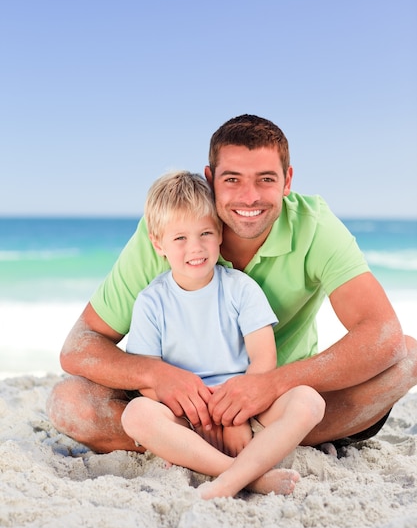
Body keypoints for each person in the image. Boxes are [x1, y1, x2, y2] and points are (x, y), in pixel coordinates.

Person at [47, 114, 417, 457]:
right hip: (181, 403)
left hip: (280, 396)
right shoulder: (173, 230)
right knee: (69, 401)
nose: (249, 197)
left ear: (287, 181)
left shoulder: (314, 226)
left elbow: (382, 334)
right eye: (233, 179)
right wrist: (154, 374)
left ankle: (220, 442)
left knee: (408, 354)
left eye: (266, 179)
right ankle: (235, 445)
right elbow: (80, 346)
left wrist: (269, 384)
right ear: (210, 179)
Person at [120, 170, 324, 498]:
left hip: (246, 407)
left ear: (219, 234)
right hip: (186, 418)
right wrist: (200, 417)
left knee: (309, 402)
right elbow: (148, 381)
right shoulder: (151, 301)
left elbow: (263, 358)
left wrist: (233, 417)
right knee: (137, 414)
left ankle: (225, 473)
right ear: (159, 244)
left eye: (204, 233)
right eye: (180, 238)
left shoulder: (240, 288)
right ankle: (242, 476)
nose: (195, 248)